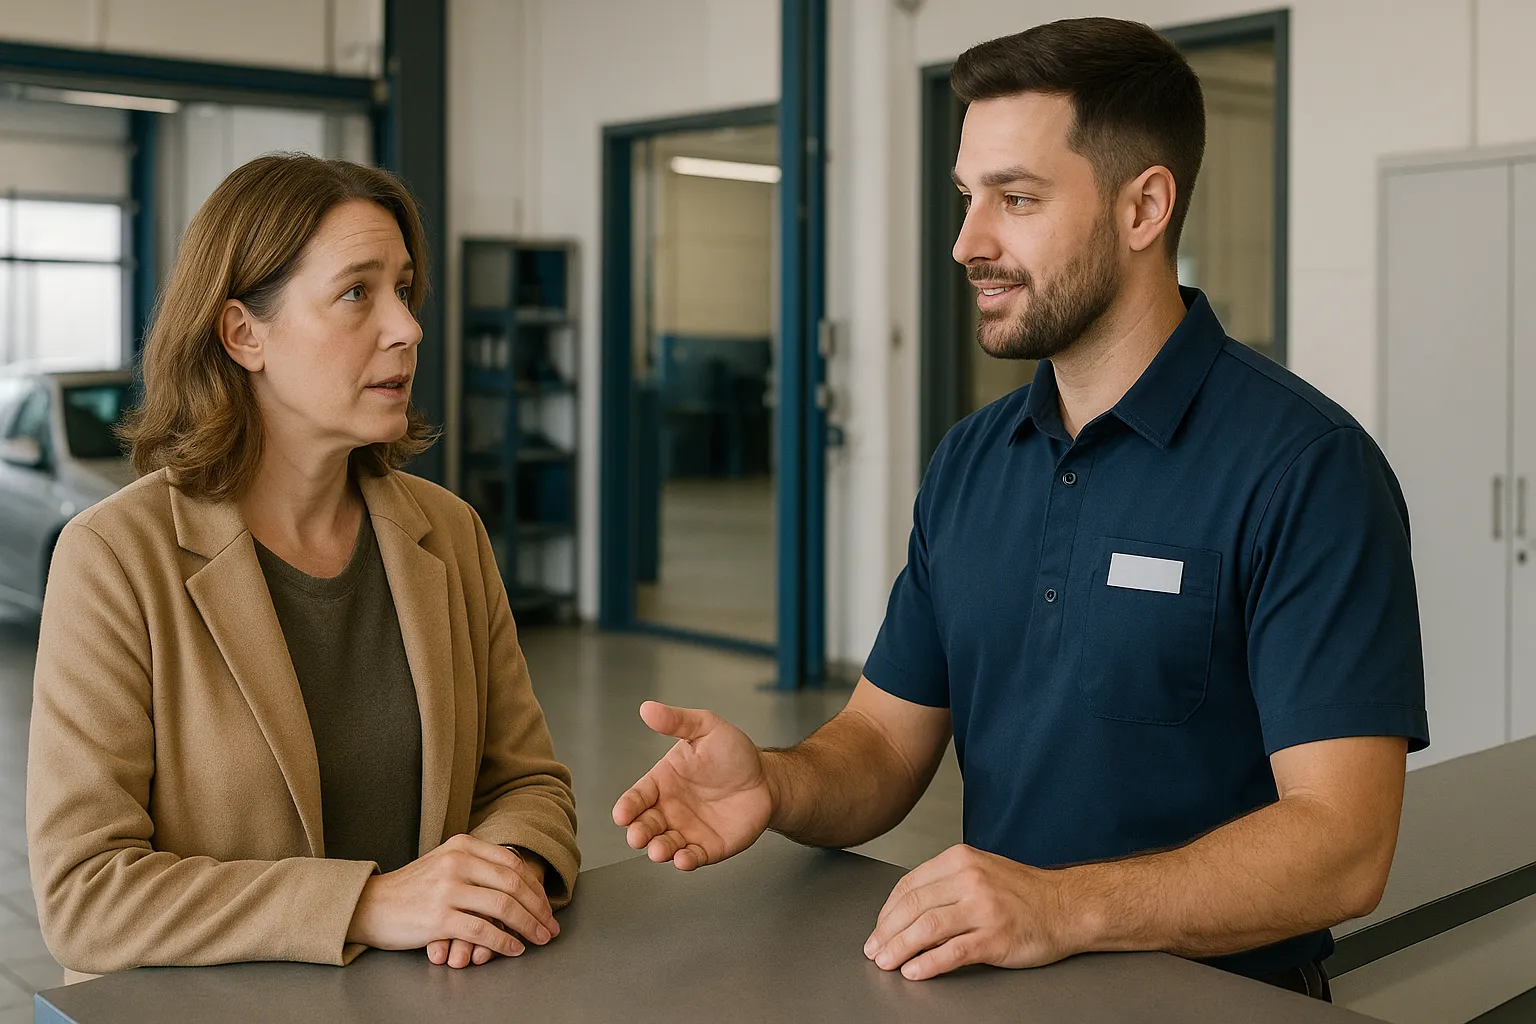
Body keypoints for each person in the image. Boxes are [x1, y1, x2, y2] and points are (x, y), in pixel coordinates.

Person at [613, 18, 1427, 1002]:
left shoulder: (1306, 470)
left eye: (1017, 198)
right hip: (1001, 989)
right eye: (967, 197)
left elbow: (1344, 847)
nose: (968, 242)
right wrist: (775, 783)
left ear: (1145, 207)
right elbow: (879, 742)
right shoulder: (971, 463)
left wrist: (1060, 905)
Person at [27, 154, 578, 979]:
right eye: (358, 292)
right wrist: (368, 903)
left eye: (403, 288)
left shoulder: (449, 533)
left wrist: (499, 877)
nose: (407, 327)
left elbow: (529, 785)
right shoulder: (115, 558)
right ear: (244, 333)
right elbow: (85, 895)